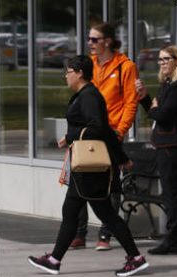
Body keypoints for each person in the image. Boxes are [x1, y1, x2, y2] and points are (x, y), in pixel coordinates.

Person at [28, 55, 149, 277]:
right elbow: (103, 129)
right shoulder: (85, 95)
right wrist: (121, 157)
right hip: (84, 168)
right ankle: (54, 259)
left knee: (106, 215)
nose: (65, 75)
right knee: (73, 211)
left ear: (79, 72)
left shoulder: (89, 96)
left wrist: (69, 136)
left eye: (68, 71)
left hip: (91, 168)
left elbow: (99, 128)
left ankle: (136, 257)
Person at [70, 22, 139, 251]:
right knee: (78, 177)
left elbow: (130, 102)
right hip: (88, 133)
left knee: (110, 182)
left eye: (94, 39)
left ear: (107, 41)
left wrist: (120, 130)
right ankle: (78, 233)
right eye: (89, 39)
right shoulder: (90, 66)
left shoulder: (124, 66)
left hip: (110, 133)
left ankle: (105, 234)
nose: (90, 43)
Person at [135, 44, 177, 255]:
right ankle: (176, 239)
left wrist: (155, 108)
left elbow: (164, 116)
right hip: (165, 145)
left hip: (172, 147)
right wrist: (146, 98)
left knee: (173, 195)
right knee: (172, 195)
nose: (162, 63)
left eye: (166, 59)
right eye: (160, 60)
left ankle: (174, 241)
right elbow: (156, 113)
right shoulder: (167, 85)